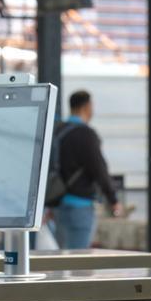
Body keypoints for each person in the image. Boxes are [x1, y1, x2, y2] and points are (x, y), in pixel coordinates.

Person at [50, 90, 122, 249]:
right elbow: (99, 168)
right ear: (87, 107)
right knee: (78, 259)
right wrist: (113, 199)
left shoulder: (57, 131)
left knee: (61, 256)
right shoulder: (86, 134)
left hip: (57, 205)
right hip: (80, 206)